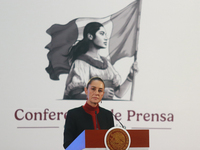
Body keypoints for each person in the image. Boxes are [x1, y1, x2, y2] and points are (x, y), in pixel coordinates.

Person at [63, 22, 138, 100]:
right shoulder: (81, 63)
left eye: (105, 34)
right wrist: (99, 94)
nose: (106, 38)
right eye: (102, 34)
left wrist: (130, 76)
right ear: (90, 36)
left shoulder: (106, 63)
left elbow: (119, 93)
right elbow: (75, 95)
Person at [63, 77, 114, 149]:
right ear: (86, 90)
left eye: (100, 90)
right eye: (93, 89)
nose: (96, 93)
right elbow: (67, 144)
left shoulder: (107, 115)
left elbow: (112, 142)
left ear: (103, 94)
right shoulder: (73, 114)